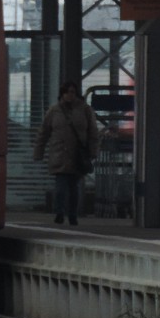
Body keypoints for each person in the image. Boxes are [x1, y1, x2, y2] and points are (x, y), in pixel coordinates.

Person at [33, 81, 99, 225]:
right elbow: (44, 132)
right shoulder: (54, 111)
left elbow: (93, 132)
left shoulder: (85, 110)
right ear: (62, 94)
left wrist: (93, 151)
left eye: (72, 92)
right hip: (60, 154)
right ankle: (60, 213)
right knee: (61, 187)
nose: (70, 95)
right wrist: (38, 151)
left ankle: (72, 214)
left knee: (74, 187)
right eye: (67, 92)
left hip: (77, 155)